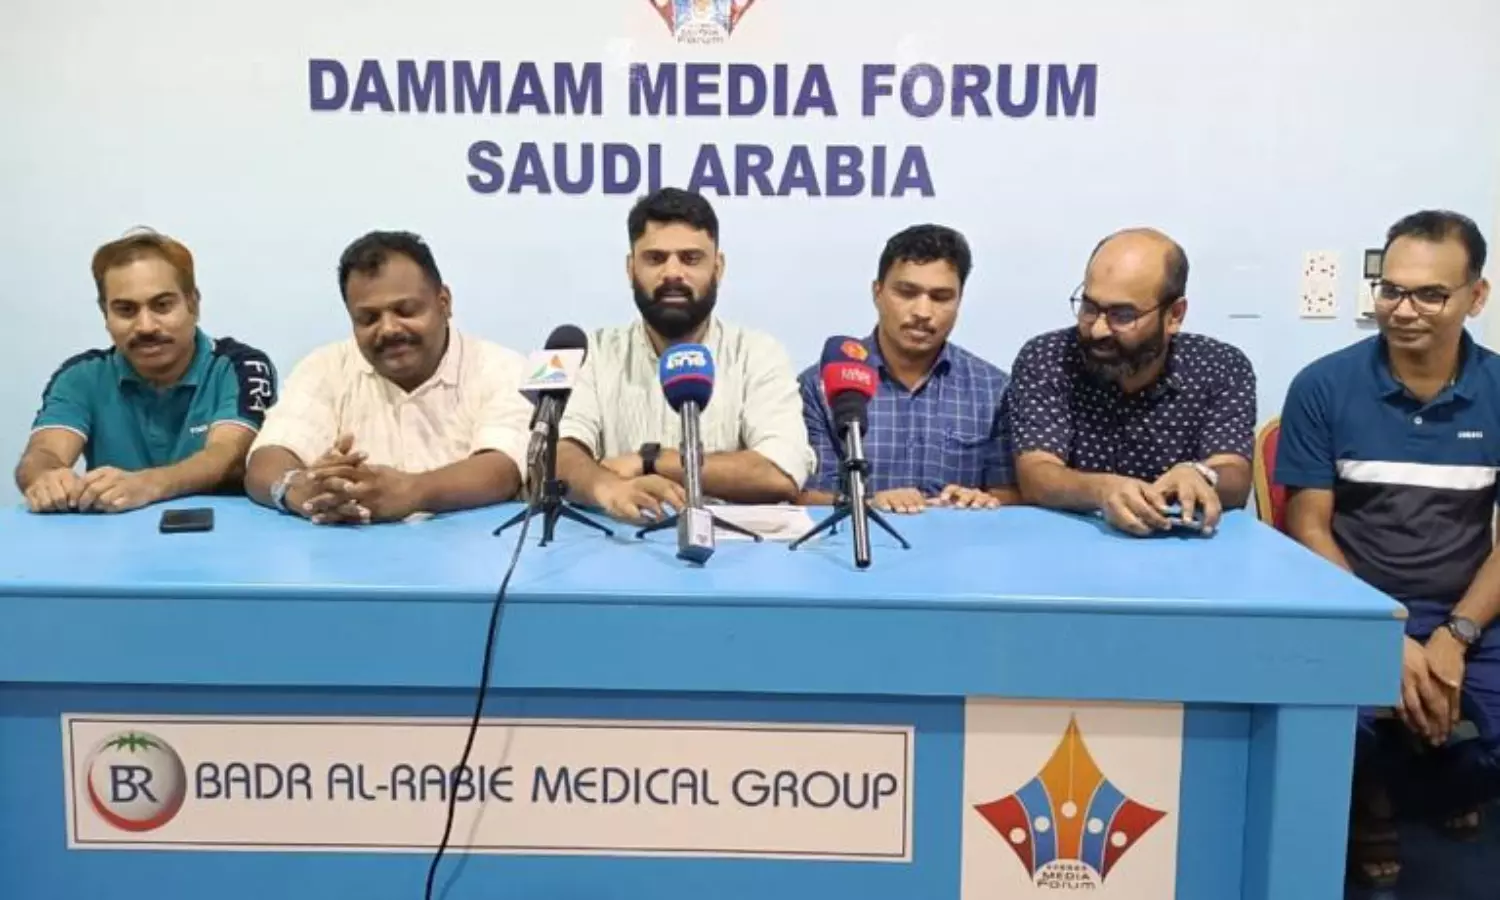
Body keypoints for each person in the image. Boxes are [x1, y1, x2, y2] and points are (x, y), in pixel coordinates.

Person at [1276, 210, 1497, 889]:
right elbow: (1309, 527)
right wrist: (1384, 631)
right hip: (1353, 604)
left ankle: (1414, 786)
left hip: (1467, 611)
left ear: (1476, 297)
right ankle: (1374, 795)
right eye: (1391, 290)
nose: (1404, 310)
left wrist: (1456, 635)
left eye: (1430, 294)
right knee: (1323, 731)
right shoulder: (1323, 385)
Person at [556, 188, 814, 524]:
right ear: (630, 268)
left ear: (718, 268)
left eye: (691, 259)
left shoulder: (757, 353)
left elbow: (780, 473)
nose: (673, 273)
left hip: (736, 548)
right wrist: (610, 489)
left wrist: (651, 462)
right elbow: (559, 453)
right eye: (655, 258)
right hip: (618, 543)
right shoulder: (594, 352)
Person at [244, 231, 531, 524]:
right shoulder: (324, 368)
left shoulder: (500, 367)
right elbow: (267, 457)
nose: (389, 329)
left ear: (444, 302)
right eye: (368, 319)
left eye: (405, 311)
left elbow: (505, 468)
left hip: (476, 550)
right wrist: (299, 489)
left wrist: (413, 492)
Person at [1007, 228, 1255, 535]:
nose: (1098, 330)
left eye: (1122, 315)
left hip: (1181, 546)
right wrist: (1102, 490)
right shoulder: (1048, 358)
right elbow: (1036, 474)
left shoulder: (1220, 367)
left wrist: (1200, 475)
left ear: (1174, 315)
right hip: (1071, 542)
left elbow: (1234, 472)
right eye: (1089, 307)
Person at [14, 229, 275, 514]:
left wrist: (148, 485)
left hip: (224, 530)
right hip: (114, 535)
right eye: (126, 310)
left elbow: (228, 456)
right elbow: (44, 452)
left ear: (193, 304)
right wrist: (46, 478)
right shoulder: (80, 376)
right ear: (105, 314)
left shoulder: (240, 367)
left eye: (162, 306)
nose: (146, 326)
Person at [798, 224, 1015, 513]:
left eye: (941, 297)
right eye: (907, 293)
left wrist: (980, 501)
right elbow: (808, 498)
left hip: (960, 540)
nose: (922, 312)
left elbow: (1009, 496)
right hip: (859, 540)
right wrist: (870, 504)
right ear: (877, 292)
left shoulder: (994, 389)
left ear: (959, 300)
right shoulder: (821, 385)